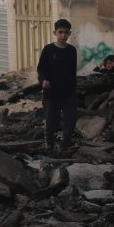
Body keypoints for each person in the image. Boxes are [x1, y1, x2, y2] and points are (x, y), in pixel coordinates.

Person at [36, 18, 79, 151]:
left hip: (68, 92)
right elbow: (41, 69)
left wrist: (74, 88)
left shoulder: (72, 50)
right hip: (52, 93)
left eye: (66, 33)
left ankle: (64, 146)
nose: (63, 36)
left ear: (69, 34)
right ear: (55, 32)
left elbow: (73, 71)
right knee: (51, 121)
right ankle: (49, 143)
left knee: (70, 122)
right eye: (60, 32)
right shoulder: (48, 50)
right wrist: (43, 80)